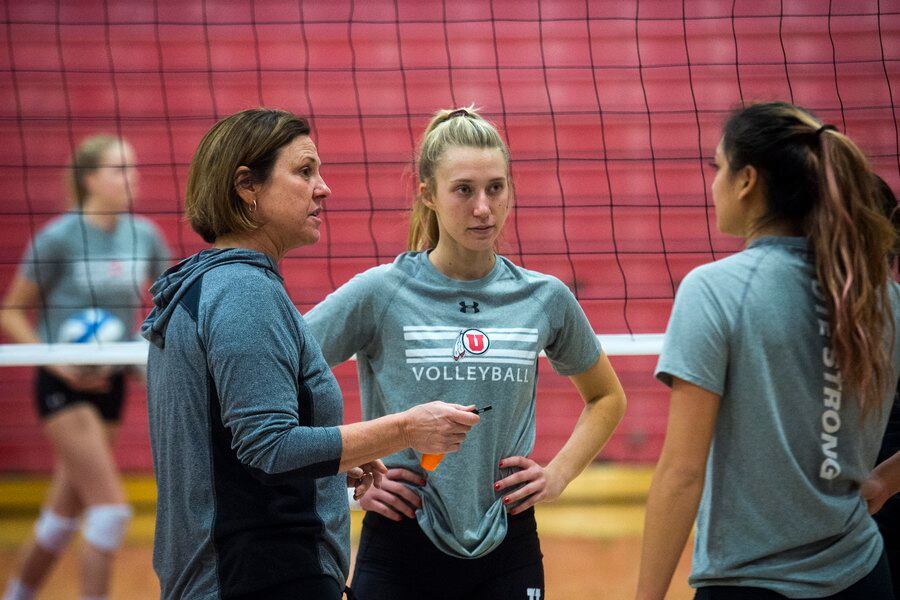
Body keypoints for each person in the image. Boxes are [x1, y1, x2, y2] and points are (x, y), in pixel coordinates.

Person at [140, 108, 481, 600]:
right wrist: (407, 427)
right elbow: (269, 447)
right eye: (304, 172)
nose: (323, 188)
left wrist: (336, 461)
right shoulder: (242, 293)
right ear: (246, 186)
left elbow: (232, 453)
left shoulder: (203, 286)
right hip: (259, 579)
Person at [305, 106, 627, 600]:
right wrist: (343, 472)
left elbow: (607, 397)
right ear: (428, 195)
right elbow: (277, 376)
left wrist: (557, 475)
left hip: (507, 543)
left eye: (495, 188)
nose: (483, 208)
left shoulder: (545, 297)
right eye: (464, 190)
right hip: (400, 538)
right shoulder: (382, 292)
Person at [636, 102, 900, 599]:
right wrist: (885, 481)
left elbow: (681, 473)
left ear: (747, 181)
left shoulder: (714, 290)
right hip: (863, 576)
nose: (713, 184)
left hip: (750, 584)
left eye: (719, 167)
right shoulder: (882, 296)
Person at [1, 135, 172, 600]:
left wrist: (143, 356)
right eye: (119, 169)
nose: (131, 177)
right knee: (111, 512)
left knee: (60, 520)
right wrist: (53, 358)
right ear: (90, 178)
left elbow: (169, 308)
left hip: (112, 383)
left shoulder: (144, 236)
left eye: (132, 168)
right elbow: (11, 310)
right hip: (62, 387)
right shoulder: (59, 237)